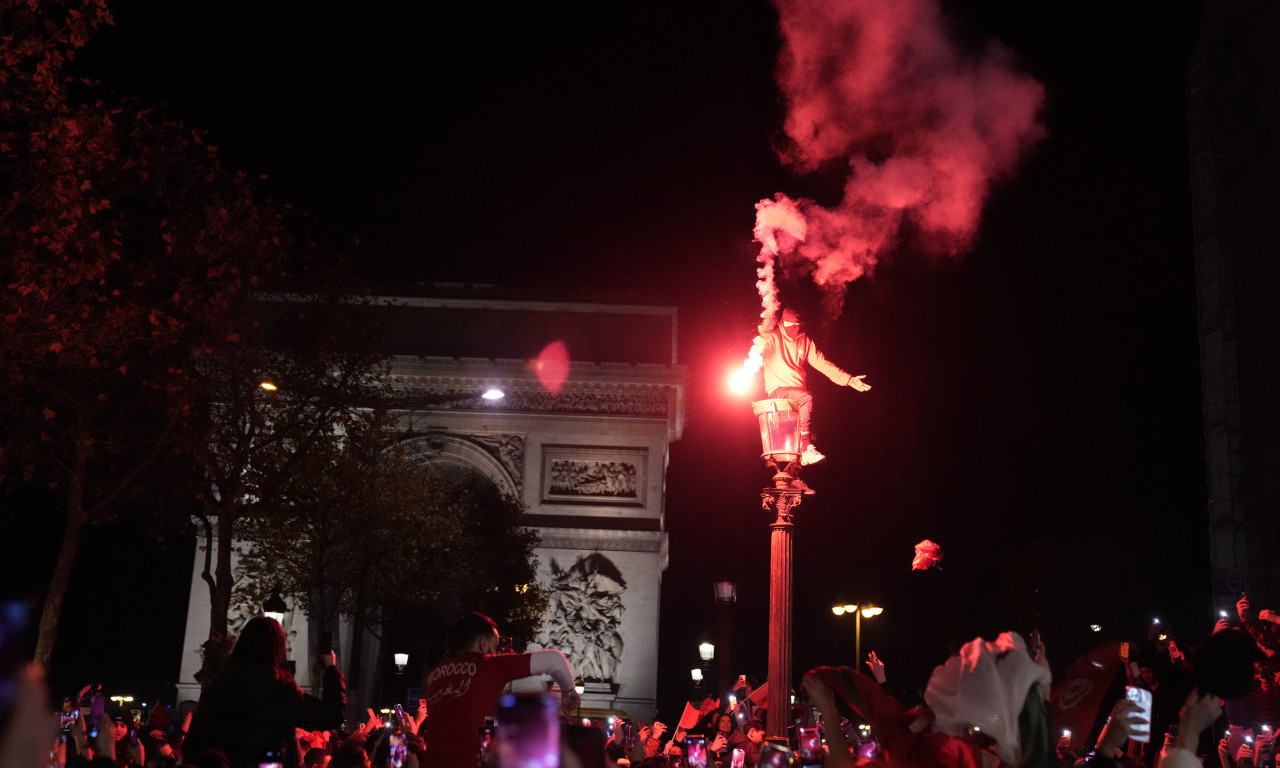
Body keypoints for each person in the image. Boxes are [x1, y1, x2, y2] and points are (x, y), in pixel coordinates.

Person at [184, 616, 347, 768]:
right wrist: (330, 670)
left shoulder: (216, 688)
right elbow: (332, 716)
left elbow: (191, 746)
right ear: (278, 649)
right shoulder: (281, 690)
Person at [422, 611, 580, 768]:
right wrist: (568, 691)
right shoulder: (488, 665)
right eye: (495, 646)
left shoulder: (432, 676)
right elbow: (554, 659)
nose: (495, 653)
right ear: (483, 644)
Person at [756, 307, 871, 466]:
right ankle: (806, 448)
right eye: (793, 327)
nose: (797, 331)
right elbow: (760, 350)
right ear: (785, 325)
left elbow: (823, 364)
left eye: (799, 327)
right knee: (807, 399)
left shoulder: (805, 341)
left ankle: (794, 475)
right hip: (779, 391)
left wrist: (850, 380)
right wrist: (760, 346)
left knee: (812, 433)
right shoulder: (772, 338)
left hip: (797, 395)